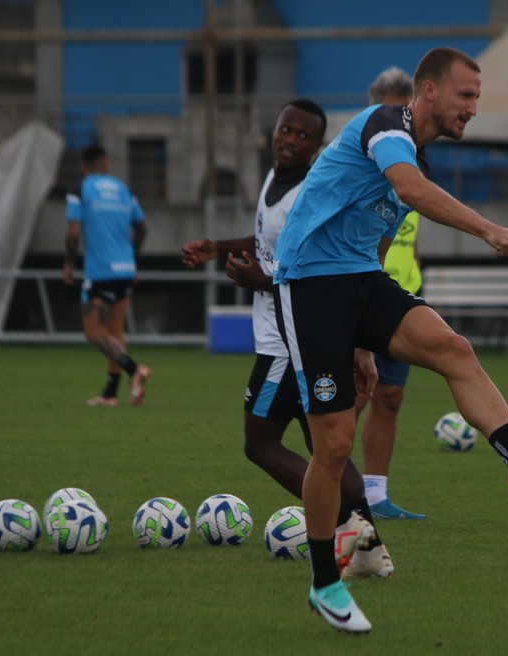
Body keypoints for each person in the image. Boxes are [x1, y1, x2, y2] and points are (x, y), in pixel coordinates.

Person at [272, 47, 508, 633]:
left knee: (454, 349)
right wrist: (490, 229)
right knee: (334, 446)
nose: (473, 109)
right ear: (429, 92)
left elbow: (380, 240)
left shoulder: (412, 153)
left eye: (477, 99)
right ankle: (323, 583)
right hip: (309, 286)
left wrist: (366, 343)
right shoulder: (387, 125)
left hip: (360, 280)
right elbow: (410, 190)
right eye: (466, 96)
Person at [180, 99, 391, 579]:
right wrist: (219, 248)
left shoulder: (307, 196)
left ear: (316, 148)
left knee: (259, 443)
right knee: (327, 449)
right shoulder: (275, 180)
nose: (290, 139)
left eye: (302, 135)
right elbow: (267, 245)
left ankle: (339, 523)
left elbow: (314, 271)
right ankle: (369, 547)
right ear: (272, 131)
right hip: (302, 338)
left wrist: (262, 280)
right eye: (285, 129)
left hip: (287, 337)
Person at [354, 66, 425, 520]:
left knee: (391, 397)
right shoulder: (361, 159)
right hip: (361, 293)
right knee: (354, 395)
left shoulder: (412, 161)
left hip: (402, 294)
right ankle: (334, 487)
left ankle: (376, 495)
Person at [63, 144, 151, 407]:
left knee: (94, 333)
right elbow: (142, 229)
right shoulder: (124, 189)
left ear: (83, 167)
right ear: (106, 164)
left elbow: (74, 233)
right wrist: (131, 258)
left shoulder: (80, 189)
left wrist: (68, 262)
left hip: (100, 273)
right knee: (114, 332)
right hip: (126, 272)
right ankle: (111, 394)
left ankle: (134, 369)